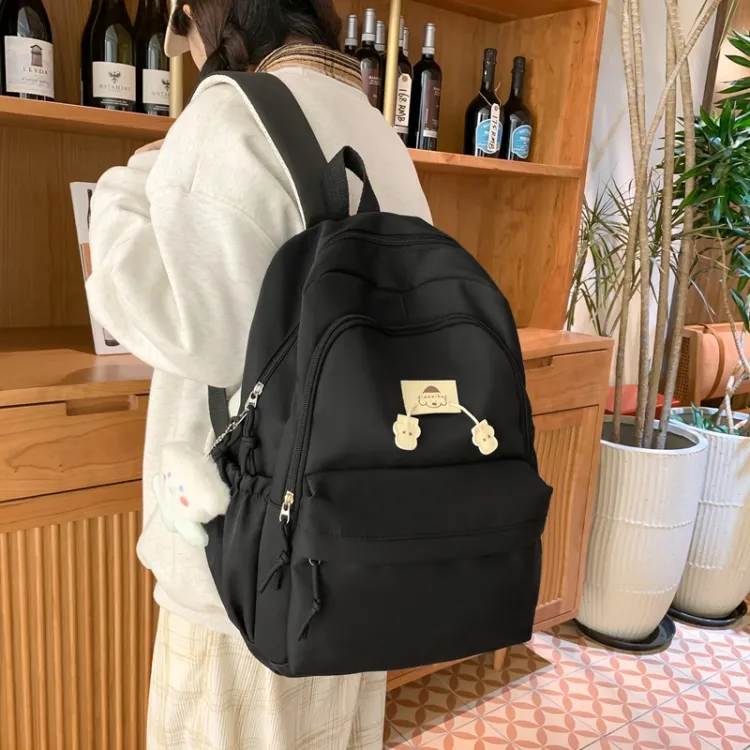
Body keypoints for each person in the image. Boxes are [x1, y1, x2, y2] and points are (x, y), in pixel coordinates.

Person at [86, 0, 432, 748]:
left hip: (243, 574)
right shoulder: (376, 128)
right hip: (355, 551)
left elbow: (177, 321)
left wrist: (124, 185)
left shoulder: (227, 114)